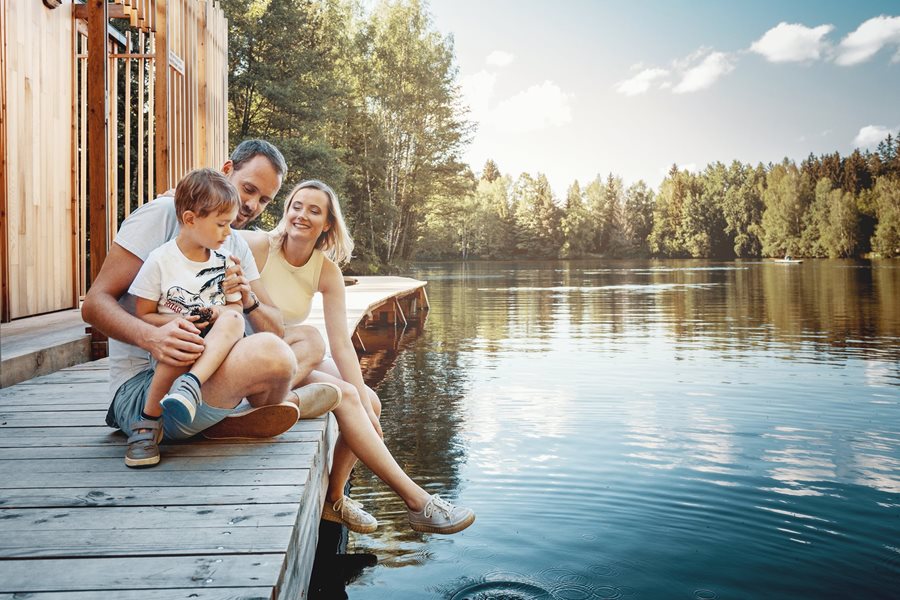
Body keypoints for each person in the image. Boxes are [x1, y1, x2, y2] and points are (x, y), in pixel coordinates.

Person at [241, 180, 475, 535]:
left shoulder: (326, 271)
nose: (302, 215)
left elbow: (343, 344)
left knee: (371, 402)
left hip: (294, 351)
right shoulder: (260, 246)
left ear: (328, 225)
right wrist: (173, 204)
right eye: (297, 206)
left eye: (314, 211)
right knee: (347, 393)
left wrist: (366, 408)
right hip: (258, 357)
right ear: (285, 210)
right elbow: (215, 233)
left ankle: (333, 500)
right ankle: (417, 501)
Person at [82, 140, 336, 449]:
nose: (253, 205)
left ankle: (231, 418)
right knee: (274, 354)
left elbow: (275, 325)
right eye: (249, 189)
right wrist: (151, 337)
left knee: (308, 340)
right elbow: (94, 304)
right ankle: (281, 402)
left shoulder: (233, 242)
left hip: (204, 374)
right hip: (147, 391)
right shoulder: (164, 214)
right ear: (227, 170)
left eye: (265, 200)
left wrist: (248, 299)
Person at [124, 169, 246, 467]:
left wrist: (218, 312)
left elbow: (236, 310)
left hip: (217, 350)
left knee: (233, 319)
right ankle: (148, 421)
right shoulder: (160, 260)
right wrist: (175, 325)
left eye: (229, 224)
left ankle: (190, 386)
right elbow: (143, 315)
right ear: (190, 219)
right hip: (176, 345)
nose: (228, 232)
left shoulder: (225, 262)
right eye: (221, 224)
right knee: (183, 337)